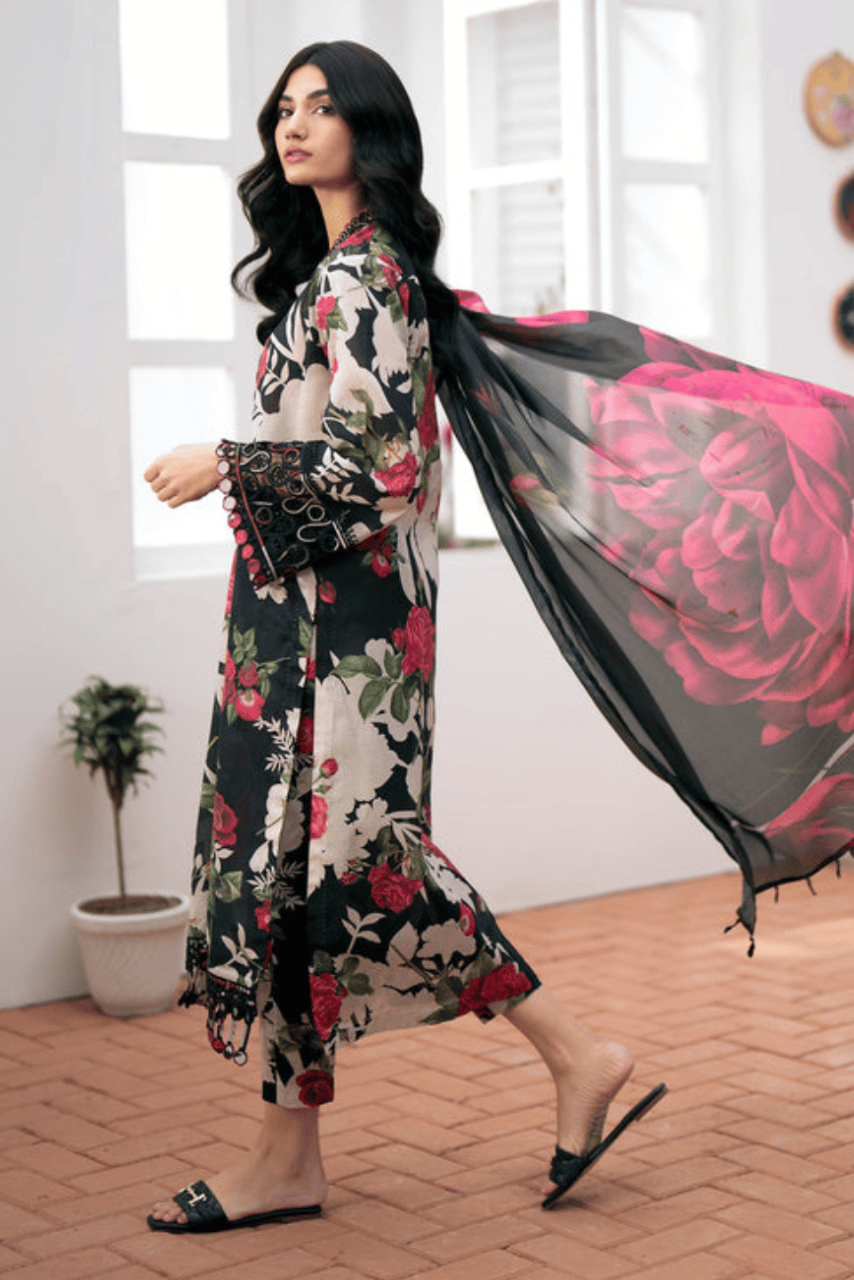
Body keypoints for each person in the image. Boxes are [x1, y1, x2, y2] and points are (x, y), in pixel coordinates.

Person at [144, 40, 664, 1234]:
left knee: (370, 866)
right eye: (284, 106)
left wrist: (220, 459)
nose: (295, 123)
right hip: (297, 623)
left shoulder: (364, 279)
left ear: (370, 128)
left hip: (350, 639)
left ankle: (578, 1053)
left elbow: (381, 469)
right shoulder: (330, 274)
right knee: (292, 877)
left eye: (323, 106)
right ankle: (288, 1155)